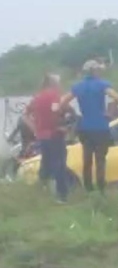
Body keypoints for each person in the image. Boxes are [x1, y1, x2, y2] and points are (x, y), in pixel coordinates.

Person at [60, 59, 118, 195]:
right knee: (100, 159)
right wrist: (110, 112)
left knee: (86, 158)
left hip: (85, 127)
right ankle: (101, 188)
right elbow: (116, 97)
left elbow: (62, 101)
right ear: (95, 71)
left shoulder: (78, 86)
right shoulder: (102, 84)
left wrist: (73, 113)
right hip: (101, 126)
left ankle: (88, 187)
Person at [26, 74, 72, 203]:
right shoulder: (54, 96)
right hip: (54, 134)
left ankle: (42, 189)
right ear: (53, 83)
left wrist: (35, 129)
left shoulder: (37, 97)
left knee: (46, 162)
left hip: (42, 136)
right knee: (59, 164)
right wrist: (61, 126)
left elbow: (25, 115)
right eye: (59, 82)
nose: (60, 85)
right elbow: (55, 112)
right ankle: (61, 195)